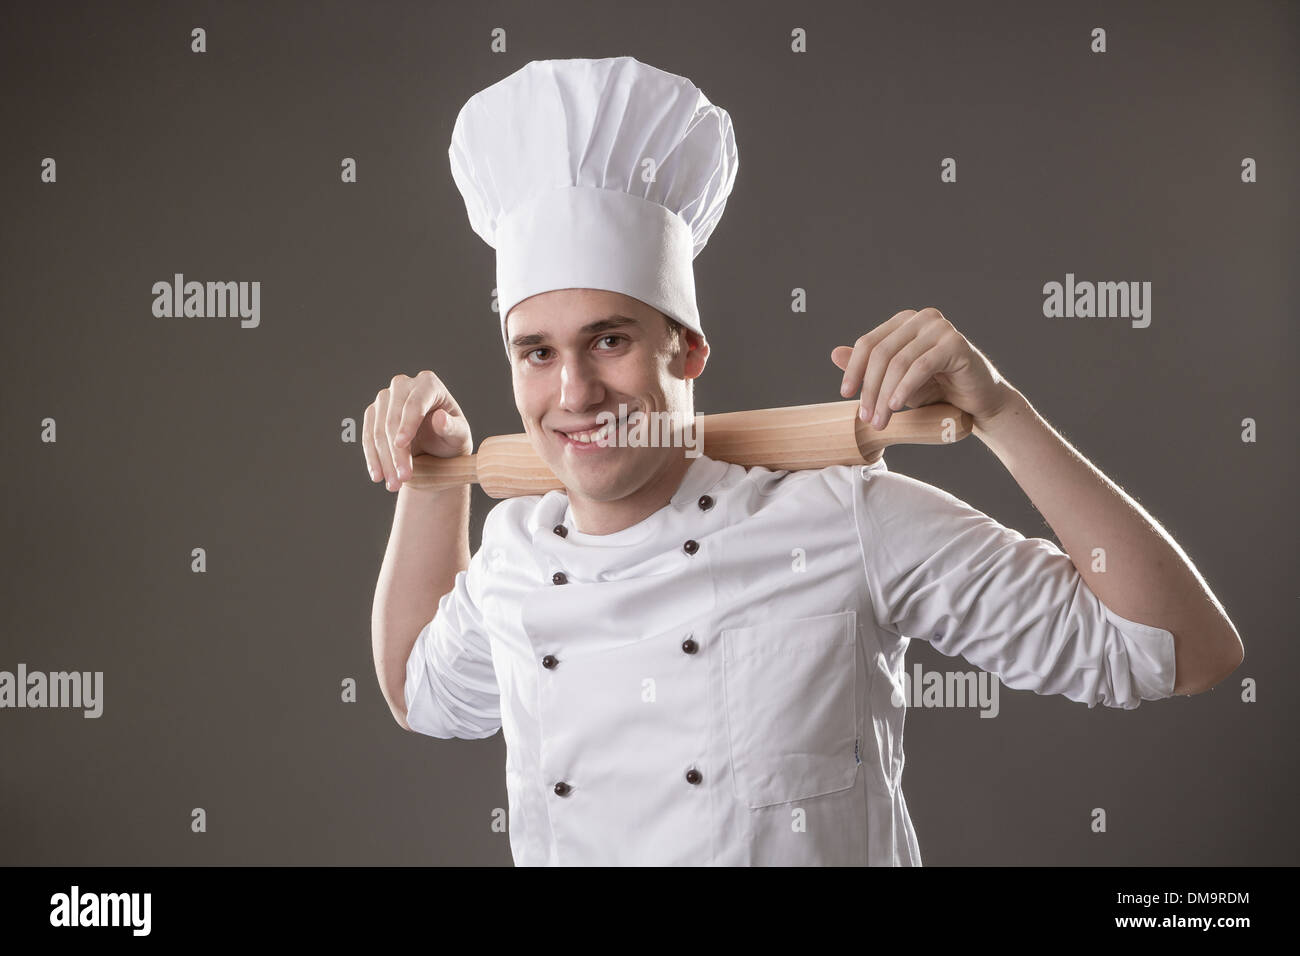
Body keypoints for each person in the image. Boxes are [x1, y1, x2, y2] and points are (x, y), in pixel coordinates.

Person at [365, 58, 1243, 865]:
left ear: (688, 349)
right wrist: (433, 482)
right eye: (537, 353)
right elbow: (419, 693)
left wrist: (1001, 412)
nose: (577, 392)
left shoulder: (842, 518)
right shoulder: (515, 557)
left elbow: (1176, 650)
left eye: (609, 340)